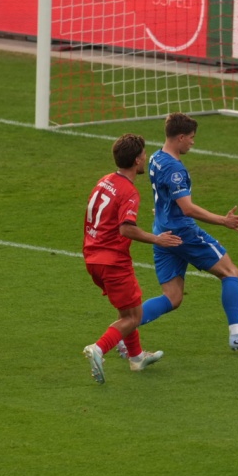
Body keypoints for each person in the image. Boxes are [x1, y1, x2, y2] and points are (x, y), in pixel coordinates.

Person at [139, 113, 238, 351]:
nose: (193, 142)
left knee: (173, 297)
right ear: (180, 137)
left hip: (162, 233)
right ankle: (237, 334)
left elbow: (163, 196)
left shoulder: (155, 158)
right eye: (191, 138)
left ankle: (124, 330)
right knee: (230, 272)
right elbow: (187, 209)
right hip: (183, 234)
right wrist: (223, 220)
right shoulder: (176, 169)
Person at [81, 134, 182, 385]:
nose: (145, 158)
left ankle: (136, 358)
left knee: (127, 308)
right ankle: (99, 348)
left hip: (92, 256)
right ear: (137, 160)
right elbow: (126, 229)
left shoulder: (105, 181)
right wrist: (157, 239)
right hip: (113, 260)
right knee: (132, 318)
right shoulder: (129, 191)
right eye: (144, 155)